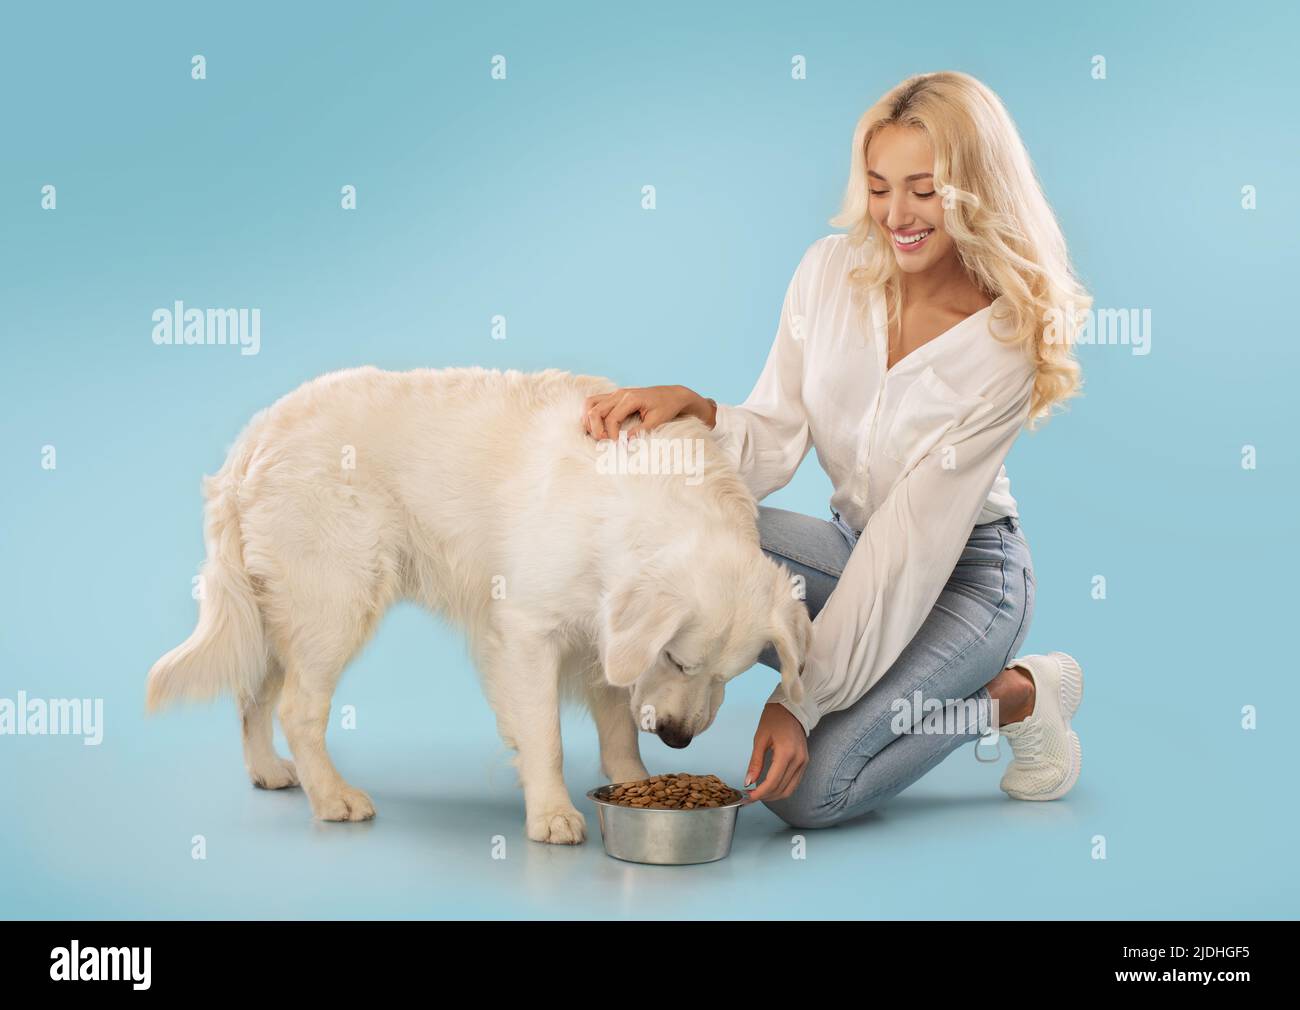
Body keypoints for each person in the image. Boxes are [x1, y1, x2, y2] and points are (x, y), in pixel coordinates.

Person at [581, 71, 1088, 829]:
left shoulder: (1003, 343)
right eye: (880, 187)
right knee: (691, 543)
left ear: (976, 190)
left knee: (809, 795)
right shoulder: (828, 273)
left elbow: (908, 552)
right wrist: (698, 414)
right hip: (851, 550)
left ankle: (1017, 696)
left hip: (966, 583)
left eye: (924, 190)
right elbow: (775, 438)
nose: (896, 215)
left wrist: (797, 702)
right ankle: (882, 683)